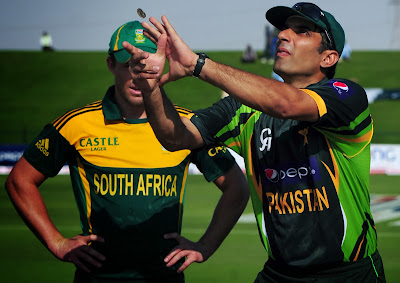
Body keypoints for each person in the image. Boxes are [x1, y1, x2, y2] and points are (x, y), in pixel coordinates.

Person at [122, 2, 386, 282]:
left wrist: (197, 65)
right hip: (278, 274)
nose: (283, 35)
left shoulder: (345, 96)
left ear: (329, 58)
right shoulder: (242, 110)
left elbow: (286, 104)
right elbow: (176, 137)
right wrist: (150, 87)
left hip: (349, 275)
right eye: (283, 29)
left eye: (302, 31)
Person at [5, 21, 249, 282]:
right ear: (111, 65)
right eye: (129, 66)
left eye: (147, 66)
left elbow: (237, 187)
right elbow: (20, 181)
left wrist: (205, 246)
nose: (139, 76)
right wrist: (57, 242)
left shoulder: (186, 128)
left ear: (163, 64)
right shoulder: (75, 124)